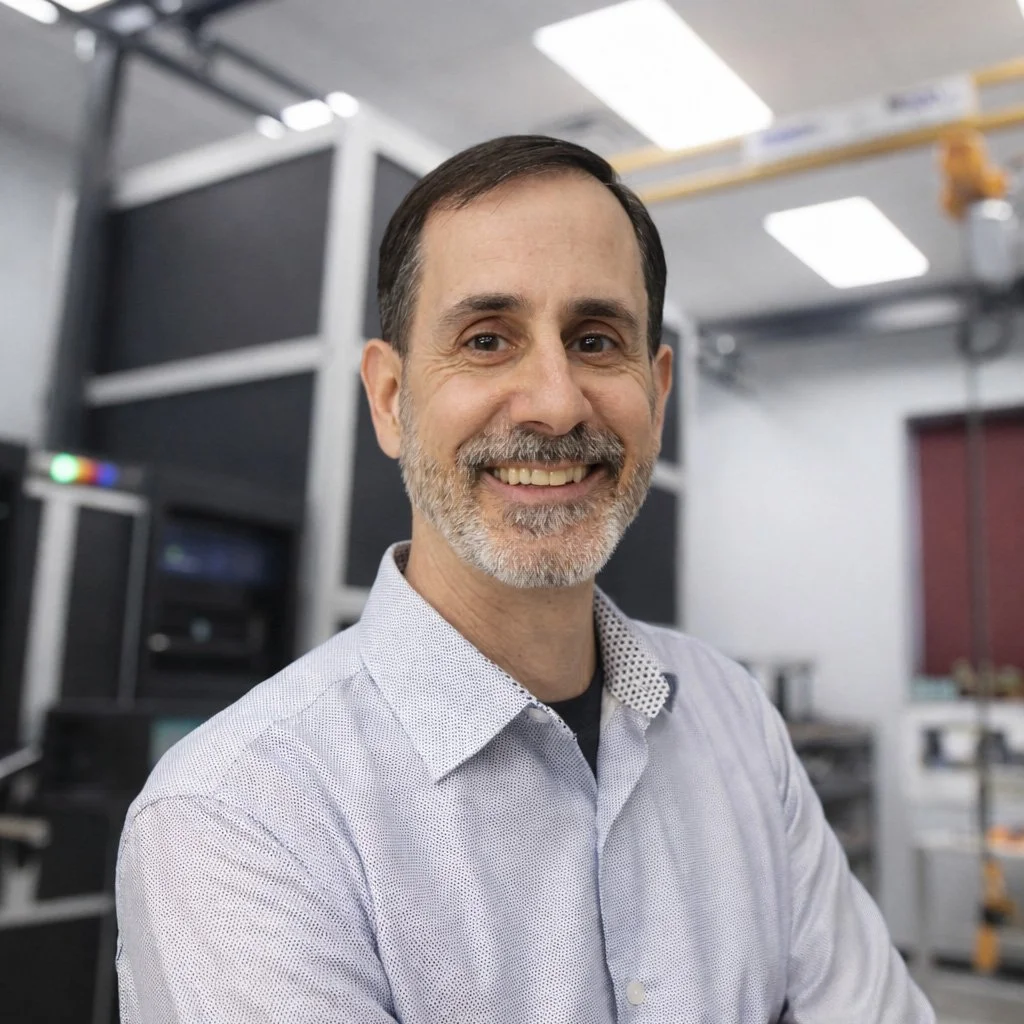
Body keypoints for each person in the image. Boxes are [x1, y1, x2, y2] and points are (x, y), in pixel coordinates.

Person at [115, 135, 934, 1023]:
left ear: (657, 397)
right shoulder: (242, 814)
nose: (555, 401)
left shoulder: (736, 722)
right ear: (392, 399)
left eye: (594, 339)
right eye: (487, 339)